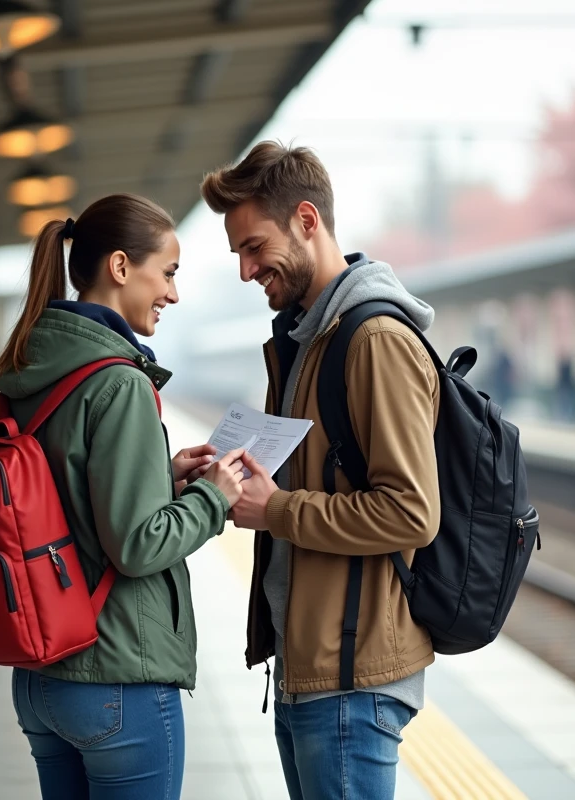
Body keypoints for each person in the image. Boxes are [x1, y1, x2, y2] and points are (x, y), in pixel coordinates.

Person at [201, 142, 442, 800]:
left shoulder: (375, 342)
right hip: (309, 668)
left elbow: (411, 512)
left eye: (255, 247)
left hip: (350, 679)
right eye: (239, 255)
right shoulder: (309, 338)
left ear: (307, 220)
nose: (248, 270)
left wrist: (274, 509)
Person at [0, 193, 246, 800]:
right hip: (114, 673)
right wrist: (213, 497)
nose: (174, 294)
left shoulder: (32, 368)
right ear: (121, 267)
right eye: (169, 273)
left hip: (39, 675)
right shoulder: (119, 380)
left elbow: (63, 492)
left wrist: (162, 477)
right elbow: (136, 544)